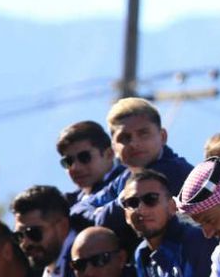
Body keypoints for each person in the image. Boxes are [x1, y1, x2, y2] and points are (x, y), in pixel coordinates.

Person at [72, 98, 194, 251]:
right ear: (114, 147)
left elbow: (108, 221)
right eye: (124, 138)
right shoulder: (127, 176)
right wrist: (103, 210)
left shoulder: (173, 171)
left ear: (162, 136)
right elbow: (79, 208)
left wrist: (102, 210)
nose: (134, 143)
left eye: (143, 133)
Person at [55, 121, 124, 211]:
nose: (75, 168)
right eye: (68, 161)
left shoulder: (129, 183)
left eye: (84, 157)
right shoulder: (68, 203)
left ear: (109, 154)